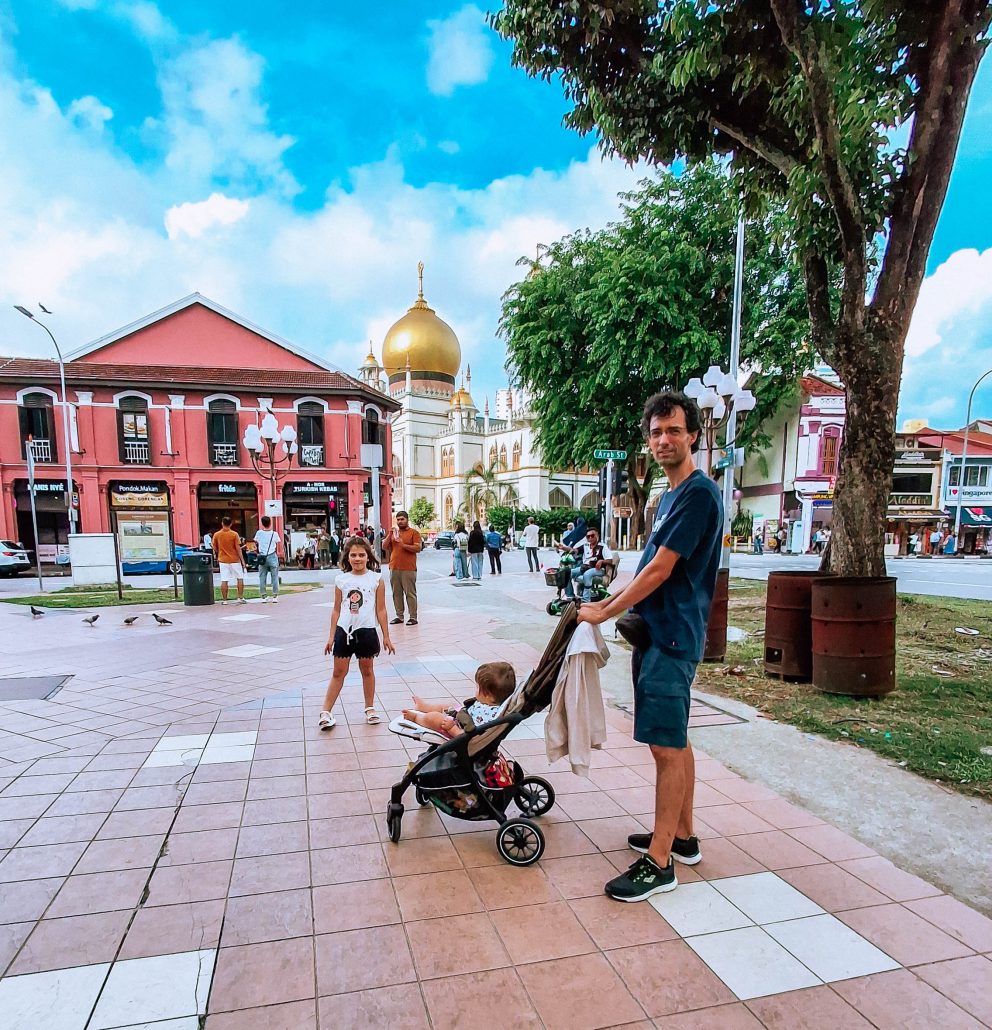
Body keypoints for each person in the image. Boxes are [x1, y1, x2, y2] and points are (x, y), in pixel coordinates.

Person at [579, 390, 722, 902]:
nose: (664, 440)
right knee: (675, 740)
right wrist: (616, 602)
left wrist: (605, 610)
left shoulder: (699, 495)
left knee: (665, 747)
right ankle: (682, 838)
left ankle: (660, 862)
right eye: (656, 432)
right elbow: (647, 568)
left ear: (693, 436)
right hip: (657, 633)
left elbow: (662, 570)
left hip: (674, 636)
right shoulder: (668, 497)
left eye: (674, 431)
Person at [319, 536, 395, 730]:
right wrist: (330, 636)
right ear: (347, 557)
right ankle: (326, 711)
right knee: (338, 672)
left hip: (367, 630)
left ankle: (370, 708)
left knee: (367, 670)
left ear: (368, 556)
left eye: (361, 555)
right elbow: (336, 609)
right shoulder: (341, 580)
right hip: (344, 631)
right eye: (353, 555)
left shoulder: (376, 579)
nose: (358, 559)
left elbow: (381, 609)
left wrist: (386, 636)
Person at [402, 661, 516, 736]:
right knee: (448, 706)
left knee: (435, 718)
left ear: (488, 695)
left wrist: (453, 729)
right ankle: (424, 707)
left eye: (478, 688)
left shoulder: (489, 716)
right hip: (463, 715)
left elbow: (473, 736)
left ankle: (417, 717)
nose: (476, 690)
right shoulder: (495, 705)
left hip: (457, 727)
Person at [383, 510, 423, 626]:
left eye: (402, 519)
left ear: (407, 520)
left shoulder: (413, 533)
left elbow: (418, 548)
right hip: (394, 567)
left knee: (410, 593)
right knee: (396, 593)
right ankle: (399, 616)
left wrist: (403, 545)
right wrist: (390, 535)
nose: (400, 522)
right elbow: (384, 546)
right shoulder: (394, 533)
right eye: (398, 519)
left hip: (408, 568)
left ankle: (413, 617)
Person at [565, 527, 616, 602]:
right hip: (585, 567)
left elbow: (610, 560)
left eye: (592, 535)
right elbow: (574, 550)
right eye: (588, 536)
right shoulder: (585, 546)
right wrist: (563, 547)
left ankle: (586, 600)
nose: (590, 538)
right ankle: (570, 596)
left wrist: (601, 561)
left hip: (598, 569)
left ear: (597, 536)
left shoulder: (603, 546)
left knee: (587, 574)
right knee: (567, 573)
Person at [212, 516, 247, 605]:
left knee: (224, 580)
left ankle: (225, 600)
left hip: (223, 560)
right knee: (240, 578)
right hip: (235, 559)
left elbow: (214, 547)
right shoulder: (234, 534)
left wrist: (219, 553)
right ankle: (240, 597)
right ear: (231, 524)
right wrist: (242, 561)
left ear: (222, 523)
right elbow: (238, 548)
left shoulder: (217, 534)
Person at [254, 515, 280, 603]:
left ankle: (263, 596)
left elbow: (256, 541)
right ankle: (275, 596)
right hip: (272, 555)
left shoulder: (259, 533)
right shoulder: (274, 534)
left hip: (262, 556)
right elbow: (278, 542)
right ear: (270, 523)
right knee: (275, 576)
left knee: (262, 576)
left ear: (262, 523)